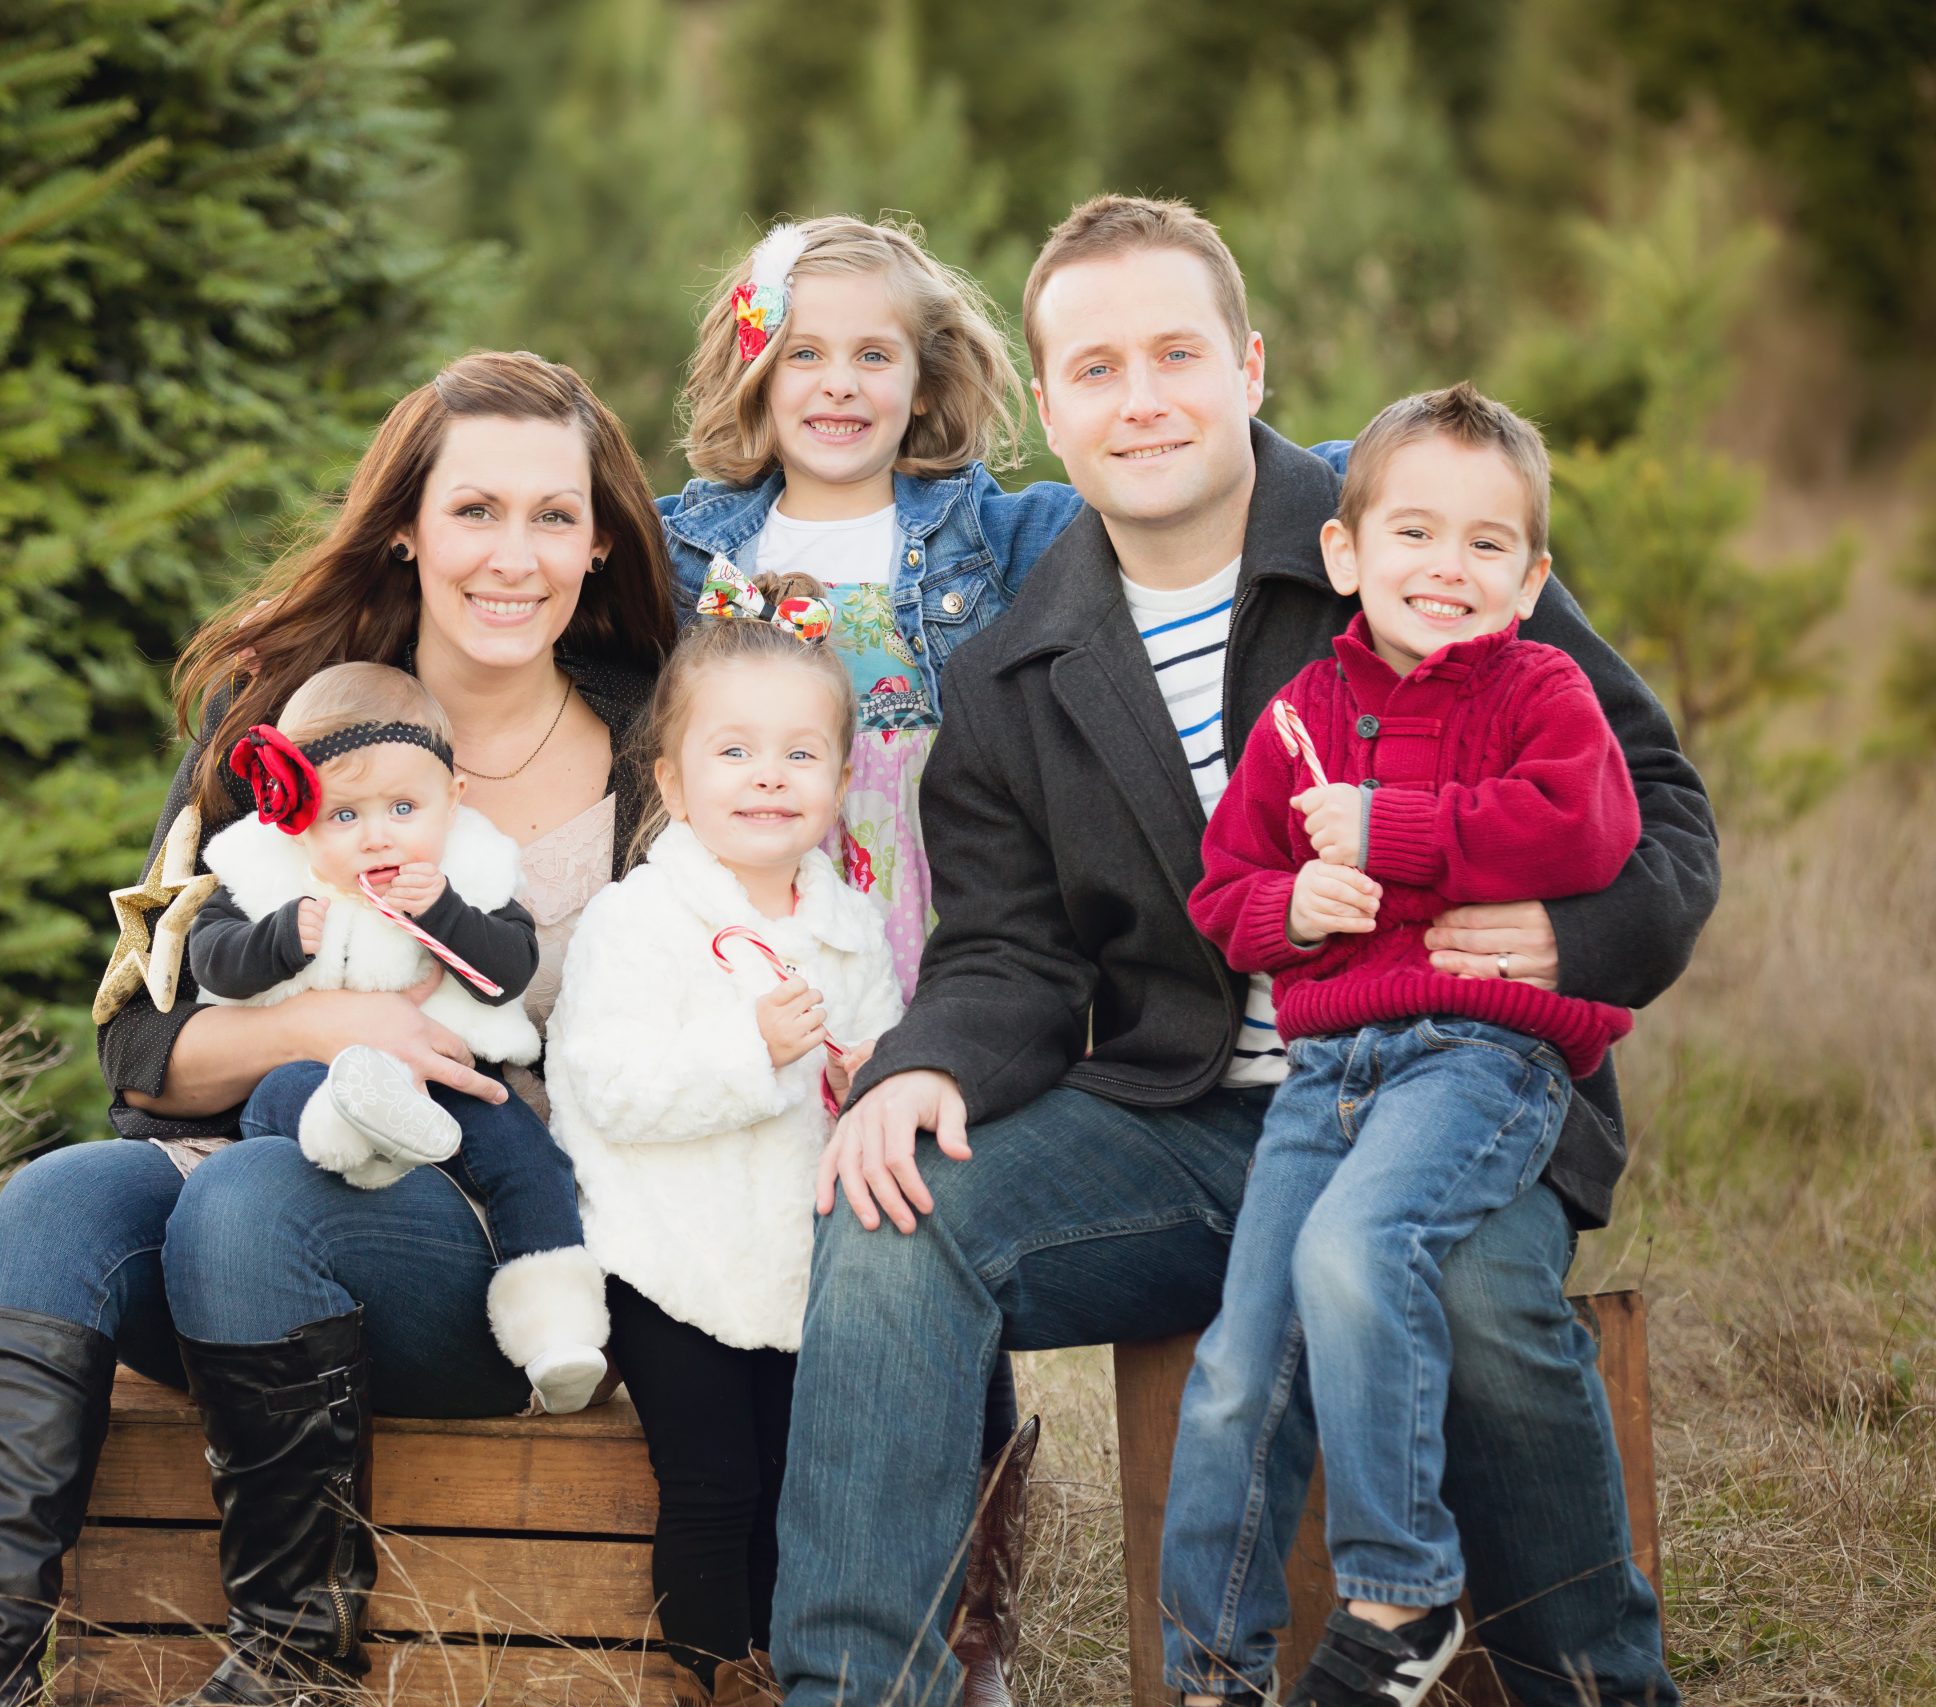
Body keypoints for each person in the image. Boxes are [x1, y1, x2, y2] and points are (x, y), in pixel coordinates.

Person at [770, 196, 1713, 1707]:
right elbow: (1009, 950)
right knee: (892, 1213)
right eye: (1096, 369)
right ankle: (858, 1691)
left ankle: (1592, 1682)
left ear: (1251, 365)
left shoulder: (1408, 526)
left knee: (1471, 1293)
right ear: (1050, 409)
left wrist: (1571, 934)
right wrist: (923, 1065)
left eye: (1177, 354)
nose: (1141, 399)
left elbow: (1654, 796)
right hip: (1184, 1119)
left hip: (1451, 1080)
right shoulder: (1017, 667)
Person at [0, 350, 676, 1707]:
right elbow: (141, 1048)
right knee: (59, 1196)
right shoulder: (280, 724)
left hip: (511, 1245)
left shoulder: (658, 745)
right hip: (252, 1192)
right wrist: (339, 1017)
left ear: (599, 541)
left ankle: (293, 1666)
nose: (514, 555)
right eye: (474, 510)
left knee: (251, 1200)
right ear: (407, 529)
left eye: (553, 515)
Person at [1161, 383, 1643, 1706]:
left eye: (1488, 544)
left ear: (1532, 579)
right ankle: (1210, 1672)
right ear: (1345, 553)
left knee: (1356, 1247)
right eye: (1415, 533)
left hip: (1480, 1058)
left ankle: (1398, 1592)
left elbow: (1587, 828)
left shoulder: (1544, 690)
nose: (1447, 567)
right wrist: (1289, 905)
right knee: (1237, 1367)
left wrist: (1393, 831)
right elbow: (1223, 891)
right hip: (1324, 1074)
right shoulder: (1300, 718)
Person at [657, 215, 1081, 1698]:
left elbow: (1189, 503)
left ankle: (967, 1619)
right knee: (767, 1241)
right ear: (754, 368)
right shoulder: (687, 546)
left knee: (919, 1228)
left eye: (876, 355)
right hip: (752, 945)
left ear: (927, 376)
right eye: (806, 353)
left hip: (928, 952)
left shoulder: (994, 536)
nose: (839, 385)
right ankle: (779, 1600)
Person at [545, 574, 904, 1701]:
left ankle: (791, 1671)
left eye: (801, 754)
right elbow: (606, 1088)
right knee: (714, 1486)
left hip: (801, 1268)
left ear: (841, 779)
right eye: (735, 751)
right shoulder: (639, 920)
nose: (769, 777)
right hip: (671, 1259)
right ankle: (712, 1673)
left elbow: (875, 1069)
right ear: (670, 779)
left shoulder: (849, 929)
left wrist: (865, 1080)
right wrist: (751, 1051)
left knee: (796, 1486)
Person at [184, 661, 609, 1415]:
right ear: (296, 818)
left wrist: (444, 914)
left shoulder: (469, 872)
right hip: (316, 1077)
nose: (377, 837)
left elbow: (507, 973)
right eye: (344, 816)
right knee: (283, 1094)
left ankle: (556, 1330)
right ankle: (360, 1125)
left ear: (454, 797)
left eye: (404, 808)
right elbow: (208, 959)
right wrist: (278, 939)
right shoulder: (267, 875)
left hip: (451, 1079)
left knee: (529, 1156)